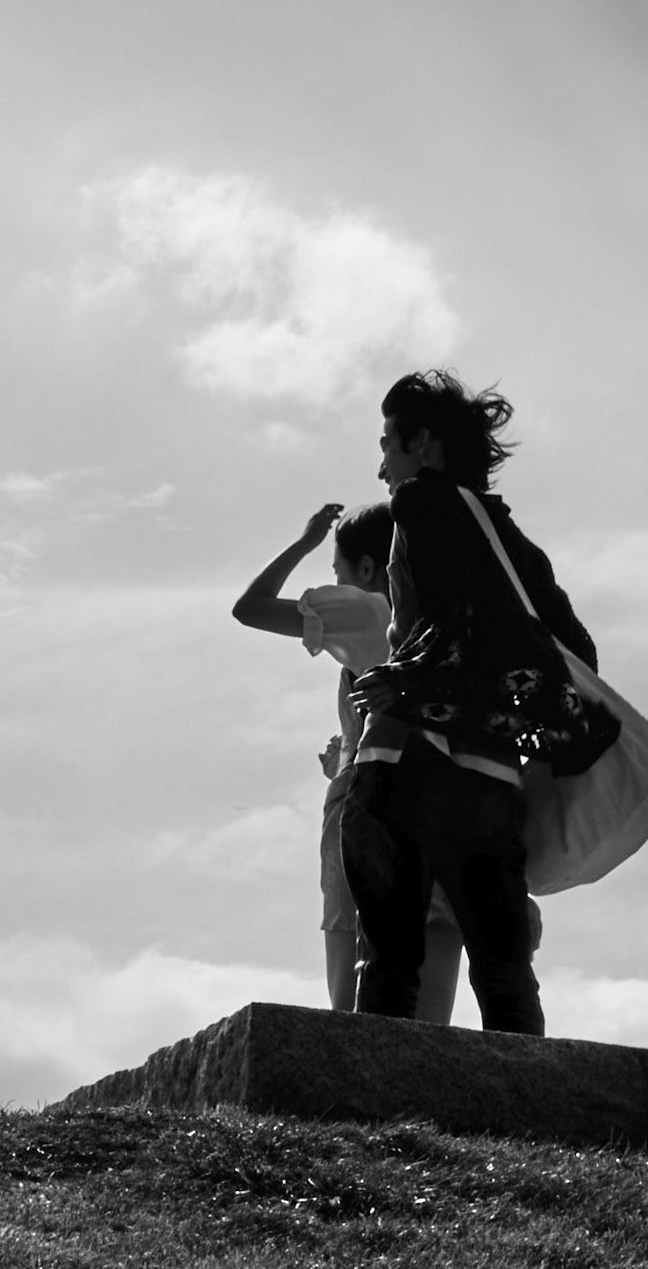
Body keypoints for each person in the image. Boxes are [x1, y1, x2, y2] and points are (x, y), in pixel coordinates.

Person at [341, 370, 596, 1036]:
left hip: (405, 760)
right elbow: (577, 654)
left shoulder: (420, 503)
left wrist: (410, 679)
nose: (381, 468)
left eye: (390, 445)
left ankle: (377, 1124)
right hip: (491, 783)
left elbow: (450, 617)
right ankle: (529, 1124)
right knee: (506, 976)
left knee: (393, 962)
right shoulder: (512, 540)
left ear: (423, 444)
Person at [230, 497, 461, 1018]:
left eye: (337, 569)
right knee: (434, 965)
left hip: (372, 799)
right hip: (444, 802)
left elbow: (250, 608)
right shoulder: (446, 621)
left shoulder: (370, 608)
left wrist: (306, 541)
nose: (334, 580)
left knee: (353, 973)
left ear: (367, 568)